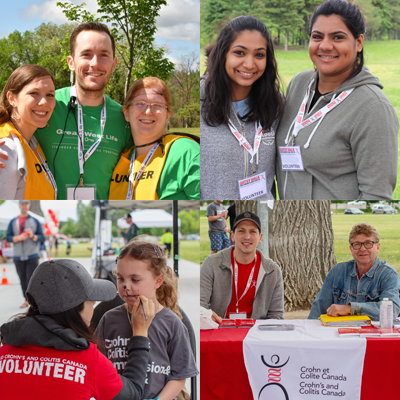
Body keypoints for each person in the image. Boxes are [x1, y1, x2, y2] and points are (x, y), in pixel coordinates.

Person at [276, 0, 398, 200]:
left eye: (338, 37)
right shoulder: (299, 84)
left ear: (358, 43)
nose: (325, 45)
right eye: (317, 37)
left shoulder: (374, 108)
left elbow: (377, 194)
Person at [0, 258, 155, 400]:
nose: (94, 306)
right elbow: (132, 394)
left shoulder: (4, 353)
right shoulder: (87, 361)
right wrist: (140, 333)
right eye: (91, 301)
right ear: (75, 311)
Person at [33, 22, 133, 200]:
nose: (95, 64)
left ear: (114, 63)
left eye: (104, 55)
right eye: (86, 54)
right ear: (71, 62)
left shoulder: (125, 118)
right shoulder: (44, 105)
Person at [95, 240, 198, 400]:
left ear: (158, 281)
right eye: (120, 278)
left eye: (135, 280)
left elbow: (179, 375)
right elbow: (96, 366)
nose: (125, 286)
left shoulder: (172, 323)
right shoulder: (108, 319)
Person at [200, 15, 284, 200]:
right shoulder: (198, 100)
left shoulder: (277, 105)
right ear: (223, 53)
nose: (249, 64)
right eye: (239, 52)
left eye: (259, 55)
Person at [109, 77, 200, 200]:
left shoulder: (187, 152)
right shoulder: (120, 158)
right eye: (140, 103)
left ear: (167, 115)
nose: (148, 111)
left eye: (157, 105)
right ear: (126, 113)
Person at [201, 211, 284, 321]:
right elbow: (200, 306)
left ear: (260, 237)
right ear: (232, 236)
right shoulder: (211, 264)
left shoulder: (272, 270)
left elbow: (276, 316)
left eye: (253, 231)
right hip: (219, 330)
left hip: (255, 333)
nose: (247, 236)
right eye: (241, 231)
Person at [308, 222, 400, 321]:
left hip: (373, 334)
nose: (362, 249)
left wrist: (350, 308)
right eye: (357, 244)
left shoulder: (389, 275)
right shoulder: (337, 272)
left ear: (377, 247)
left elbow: (392, 310)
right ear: (351, 249)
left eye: (368, 243)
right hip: (338, 333)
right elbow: (318, 310)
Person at [0, 65, 57, 199]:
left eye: (50, 95)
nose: (44, 102)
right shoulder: (7, 149)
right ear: (12, 98)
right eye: (34, 93)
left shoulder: (33, 143)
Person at [6, 200, 44, 308]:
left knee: (31, 279)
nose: (24, 206)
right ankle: (26, 300)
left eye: (26, 204)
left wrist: (32, 236)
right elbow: (8, 237)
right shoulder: (13, 221)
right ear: (19, 205)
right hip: (18, 256)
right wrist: (18, 238)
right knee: (22, 279)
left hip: (32, 255)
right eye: (22, 204)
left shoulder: (35, 221)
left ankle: (33, 301)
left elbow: (42, 237)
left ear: (29, 205)